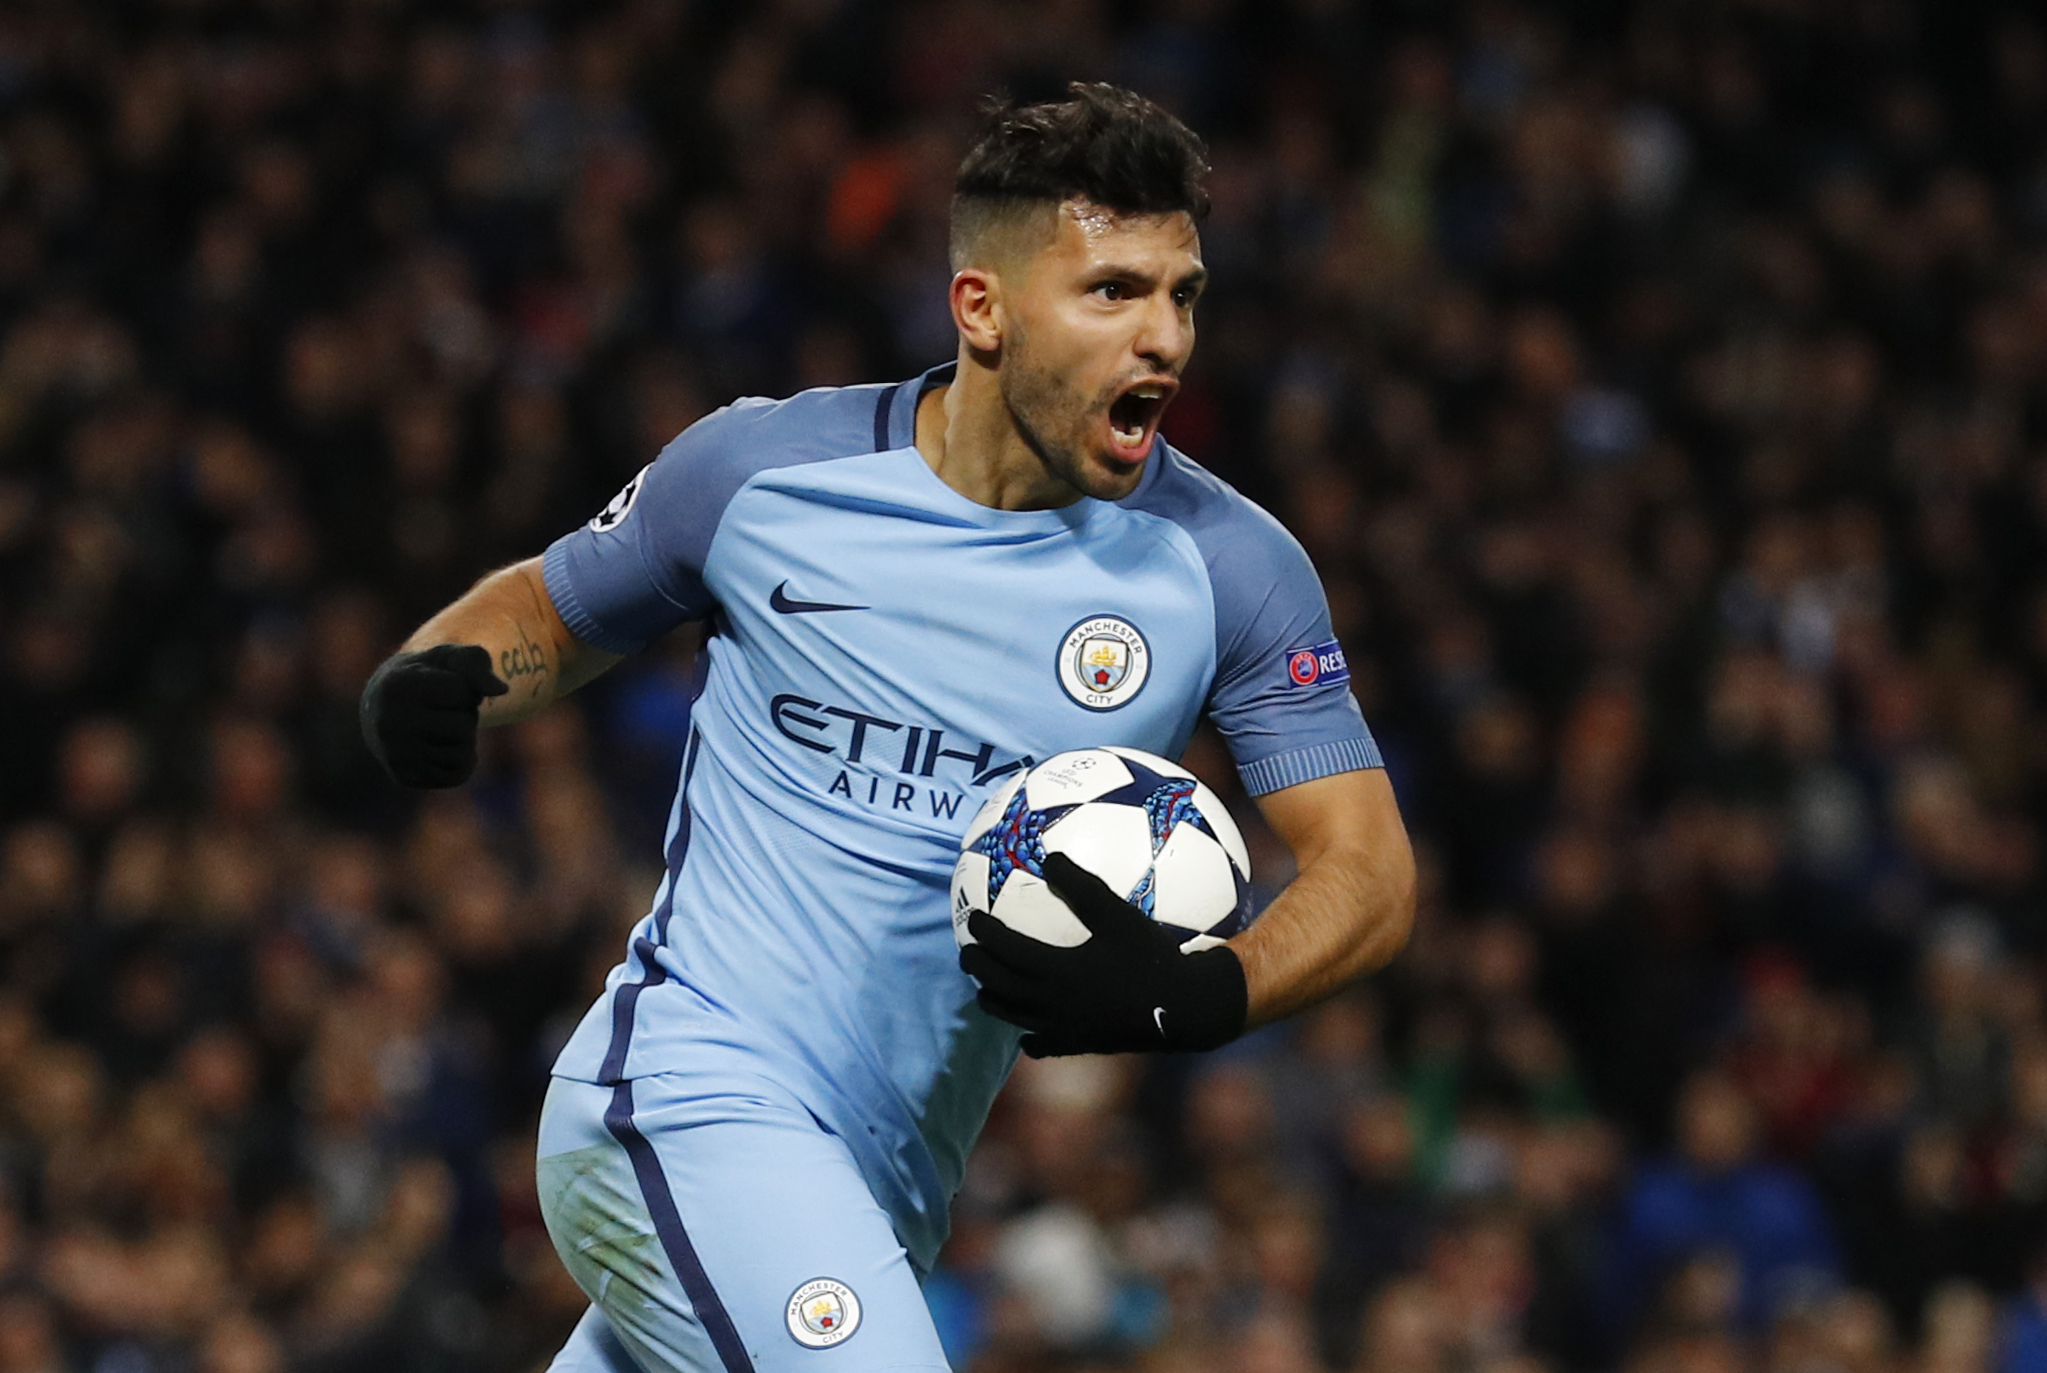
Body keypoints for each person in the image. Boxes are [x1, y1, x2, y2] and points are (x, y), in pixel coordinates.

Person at [359, 83, 1415, 1373]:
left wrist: (1214, 987)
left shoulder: (1224, 571)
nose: (1164, 340)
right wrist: (444, 672)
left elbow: (1369, 865)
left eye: (1182, 293)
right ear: (982, 309)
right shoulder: (761, 476)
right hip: (684, 1102)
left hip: (876, 1201)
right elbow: (556, 606)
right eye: (1113, 293)